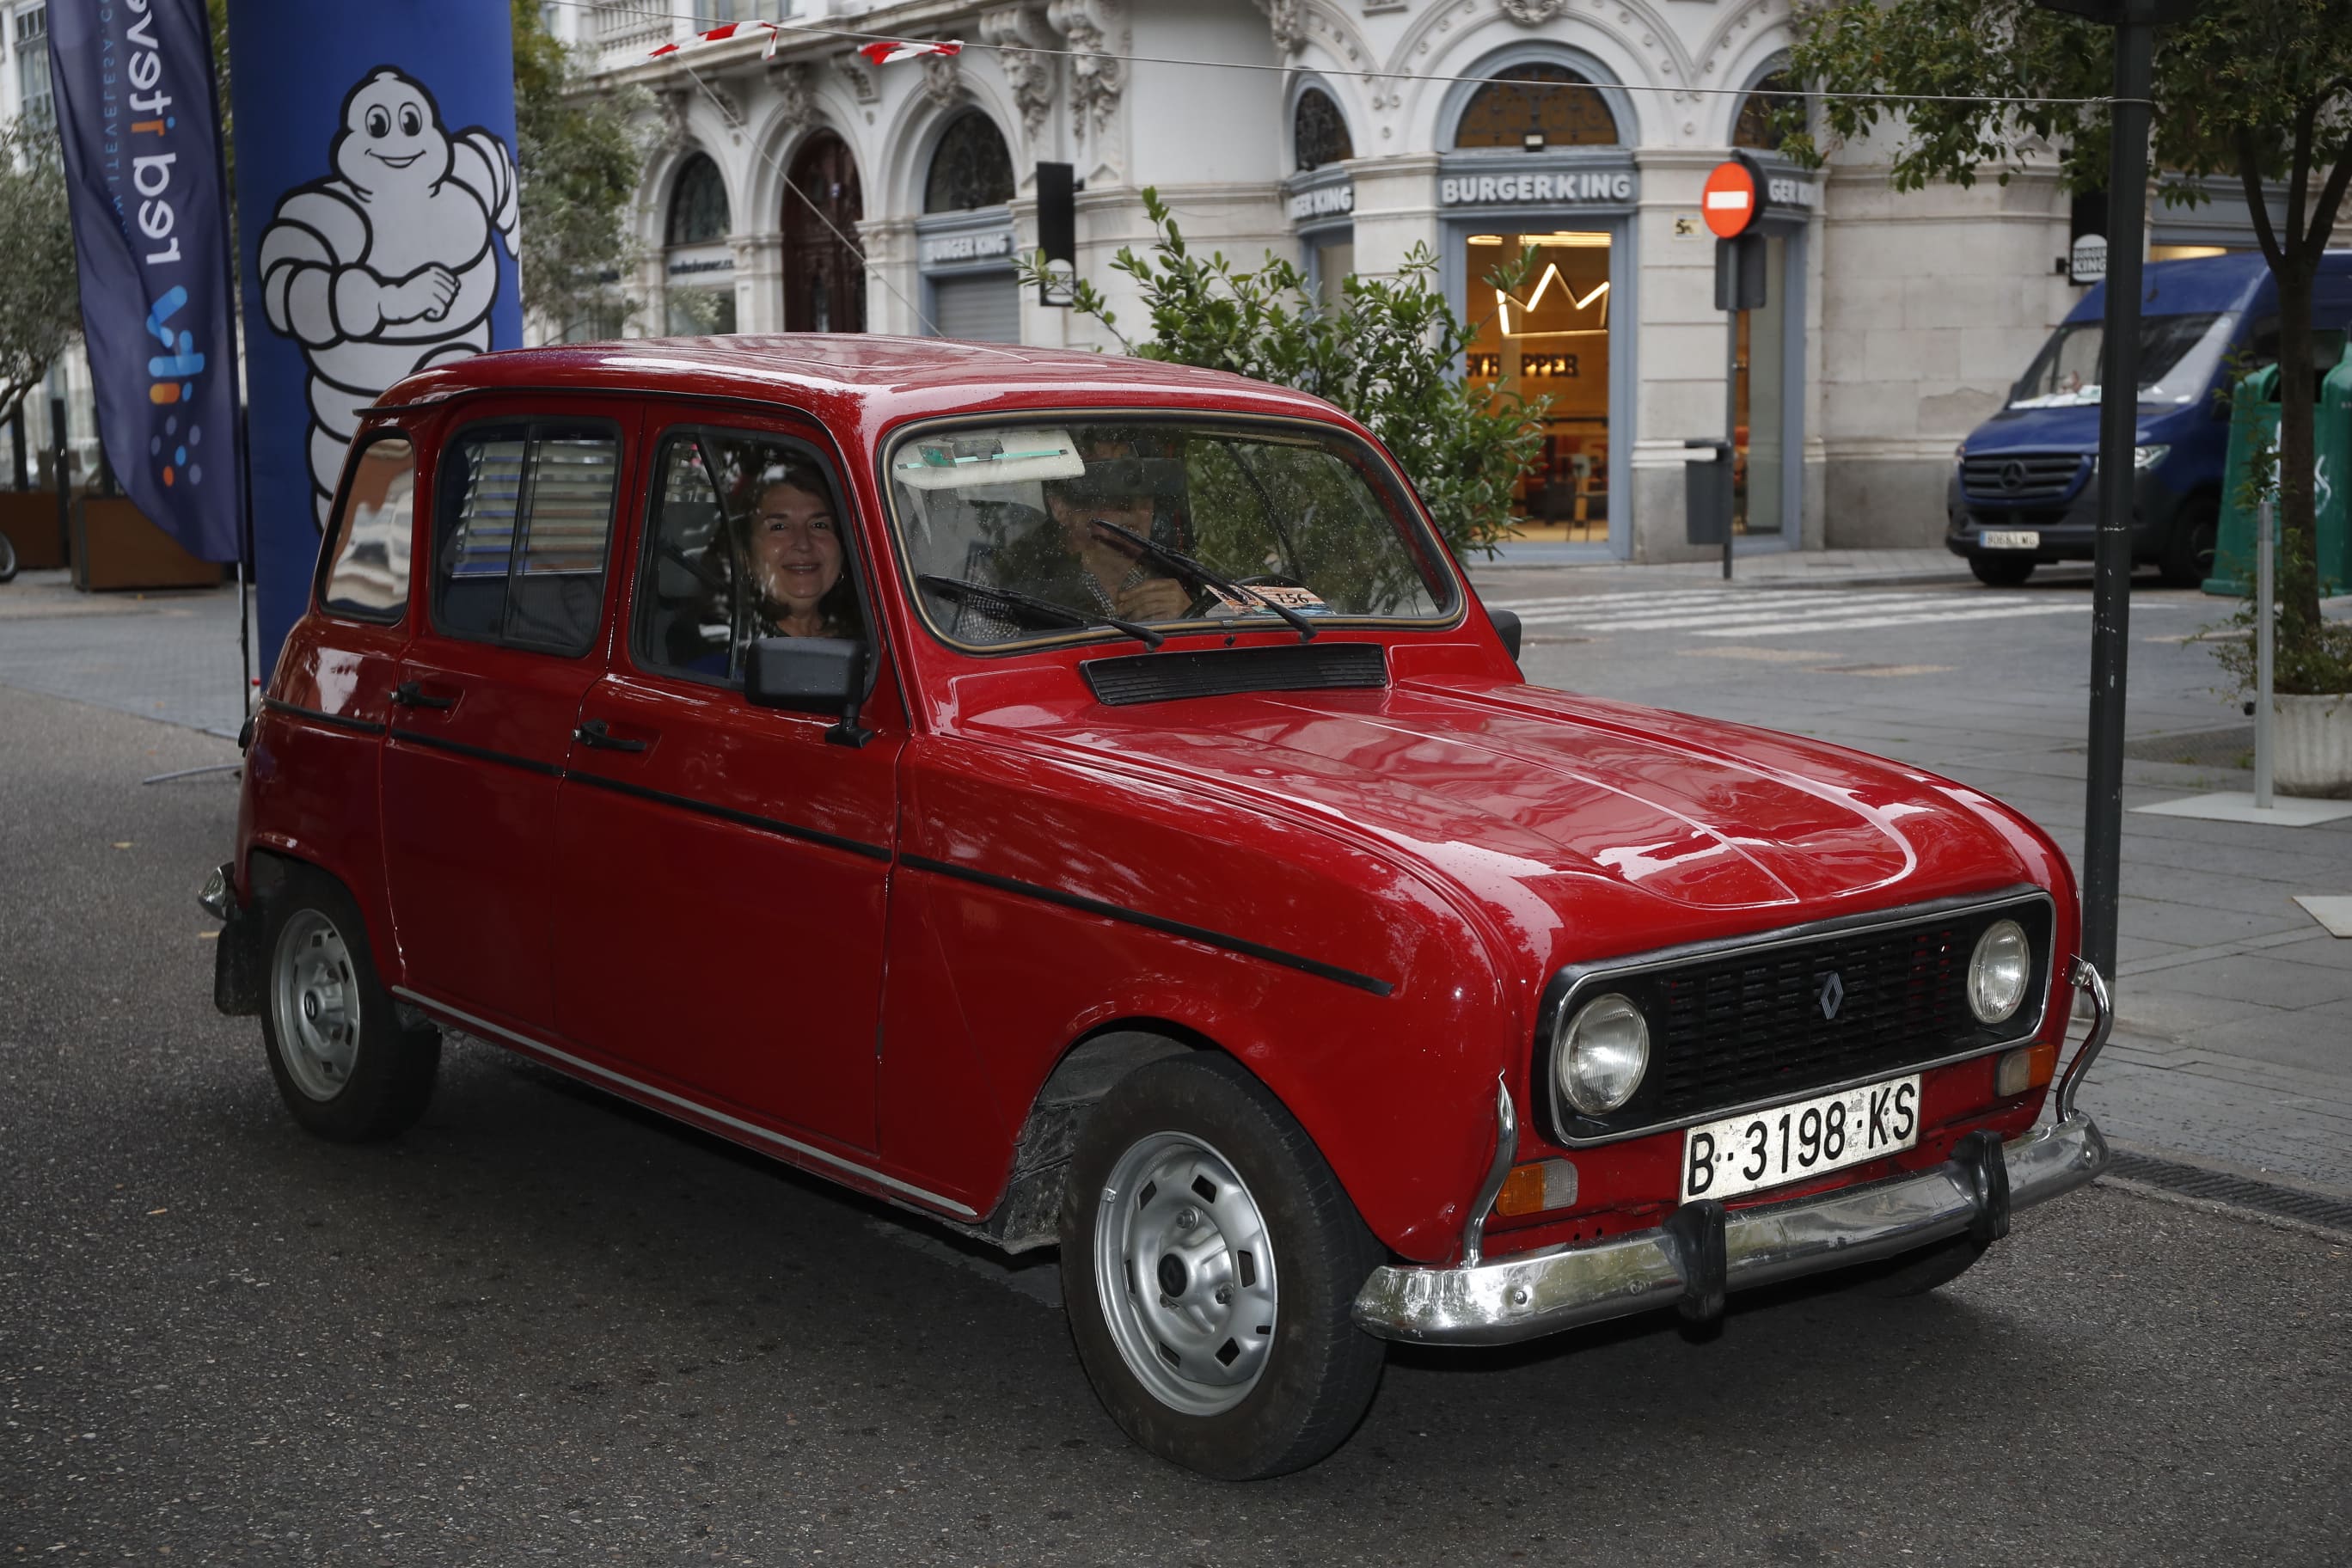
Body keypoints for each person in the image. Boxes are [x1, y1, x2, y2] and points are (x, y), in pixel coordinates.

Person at [738, 462, 861, 640]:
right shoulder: (727, 652)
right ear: (746, 556)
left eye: (819, 525)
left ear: (842, 551)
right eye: (779, 527)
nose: (803, 544)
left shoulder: (875, 645)